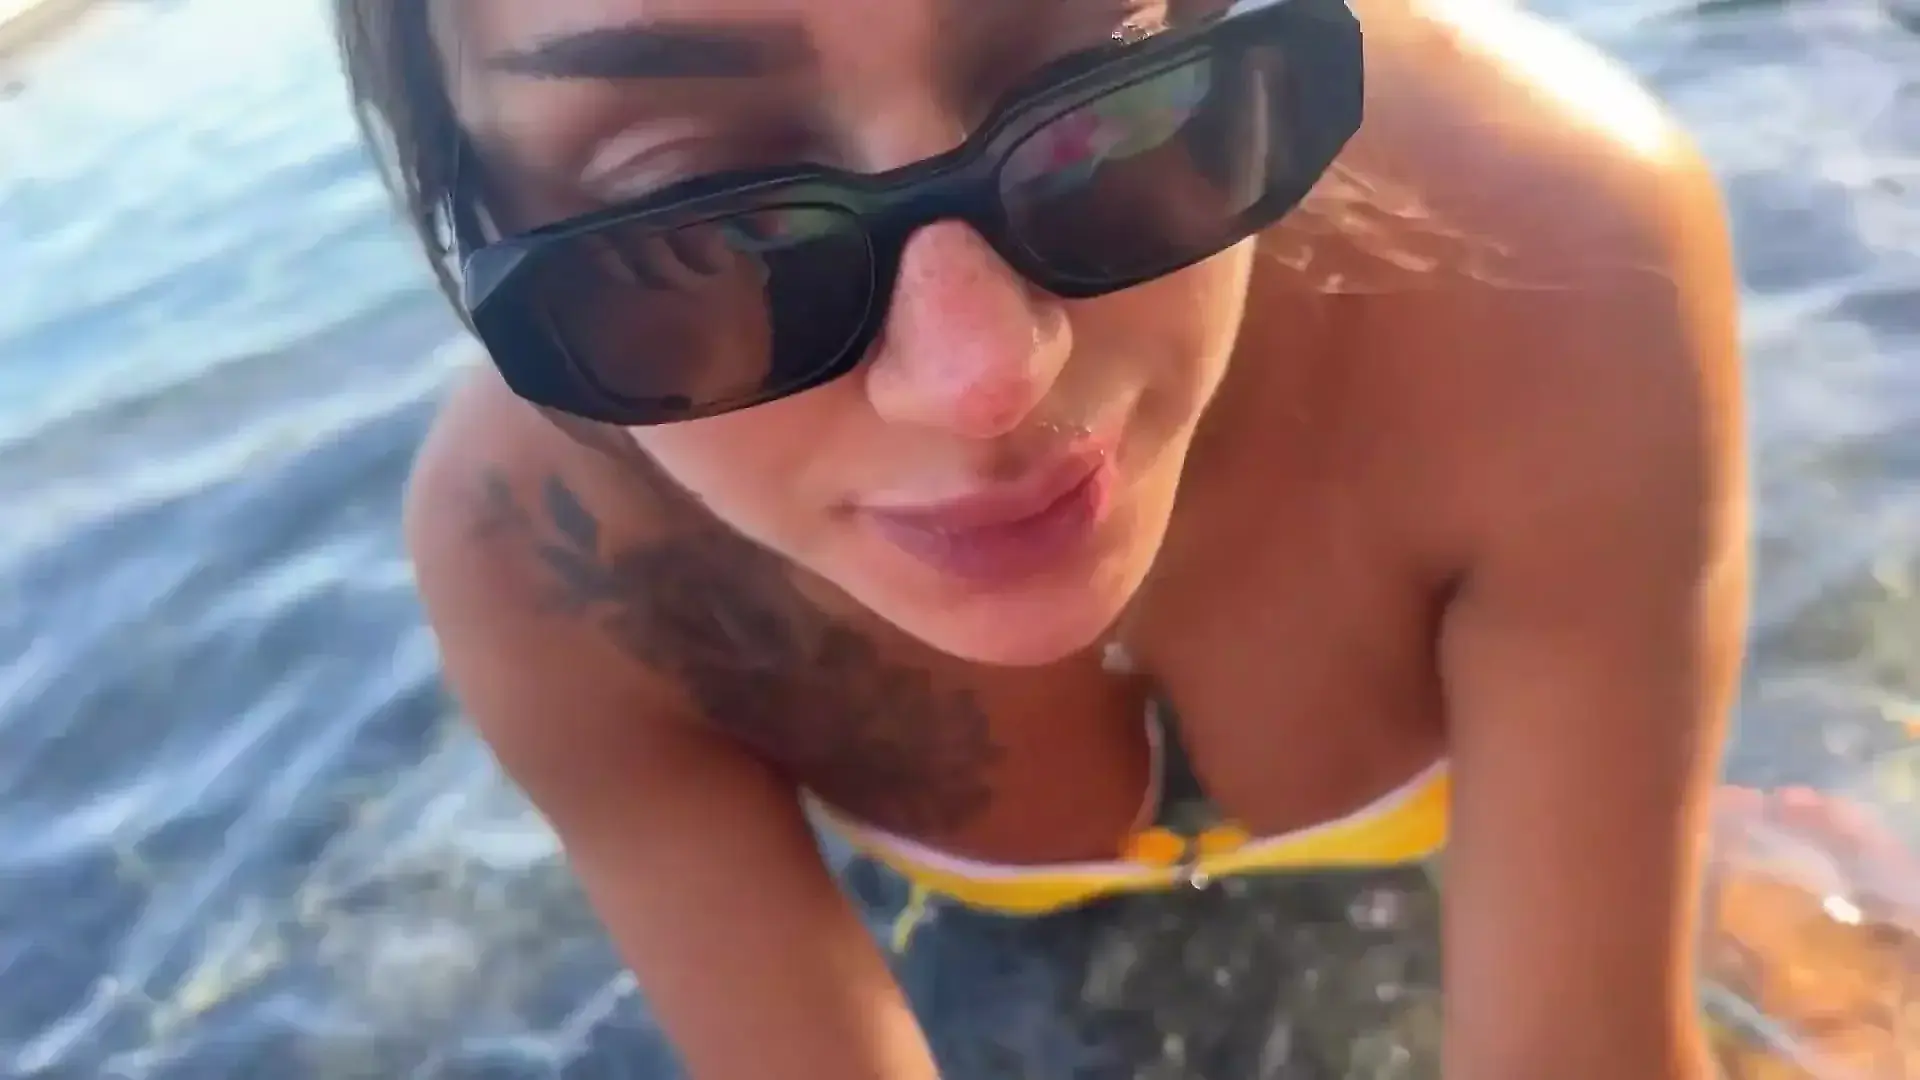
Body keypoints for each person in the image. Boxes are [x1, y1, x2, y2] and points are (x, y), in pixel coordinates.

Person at [332, 0, 1915, 1076]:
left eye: (1109, 97)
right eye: (706, 219)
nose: (984, 376)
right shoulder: (536, 560)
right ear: (481, 229)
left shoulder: (1548, 252)